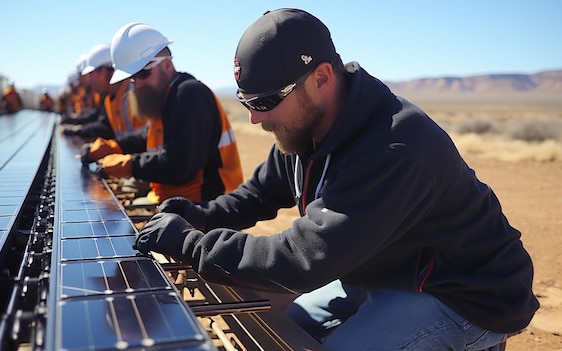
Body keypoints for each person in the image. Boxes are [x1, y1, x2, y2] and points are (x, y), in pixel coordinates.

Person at [133, 8, 539, 350]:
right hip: (384, 273)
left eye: (266, 102)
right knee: (284, 329)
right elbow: (258, 194)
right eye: (246, 102)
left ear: (322, 78)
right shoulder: (305, 127)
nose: (255, 118)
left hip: (463, 296)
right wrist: (199, 215)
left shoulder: (393, 146)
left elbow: (302, 260)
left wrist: (189, 244)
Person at [80, 22, 243, 205]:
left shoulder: (189, 95)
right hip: (178, 199)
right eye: (132, 78)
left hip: (209, 207)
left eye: (142, 74)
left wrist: (128, 164)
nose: (137, 84)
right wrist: (114, 147)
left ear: (166, 64)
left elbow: (179, 165)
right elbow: (150, 137)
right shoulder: (167, 96)